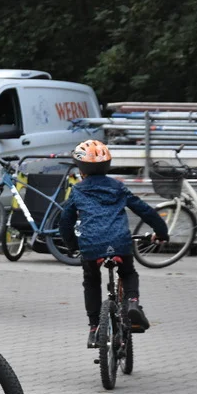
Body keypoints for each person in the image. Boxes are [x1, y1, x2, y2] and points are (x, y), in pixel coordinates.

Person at [59, 140, 169, 348]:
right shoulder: (118, 187)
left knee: (91, 281)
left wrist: (72, 245)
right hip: (120, 243)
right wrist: (161, 232)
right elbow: (144, 209)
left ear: (81, 168)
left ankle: (94, 329)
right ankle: (132, 302)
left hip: (91, 246)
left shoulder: (78, 191)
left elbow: (65, 222)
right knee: (128, 273)